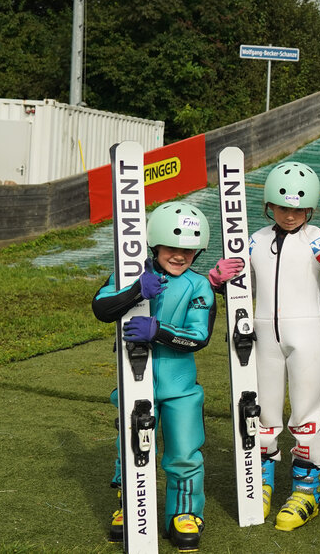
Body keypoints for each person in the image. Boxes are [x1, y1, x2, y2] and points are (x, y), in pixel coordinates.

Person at [209, 161, 320, 531]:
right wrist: (217, 280)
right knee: (263, 418)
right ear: (269, 206)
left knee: (307, 419)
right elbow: (244, 290)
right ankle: (259, 486)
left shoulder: (317, 240)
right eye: (282, 207)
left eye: (298, 209)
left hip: (306, 337)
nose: (290, 215)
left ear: (310, 209)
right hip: (263, 339)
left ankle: (306, 493)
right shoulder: (254, 240)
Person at [92, 202, 219, 551]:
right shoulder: (129, 272)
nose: (179, 256)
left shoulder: (199, 286)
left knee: (183, 450)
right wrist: (136, 291)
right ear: (155, 245)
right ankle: (128, 506)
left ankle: (184, 513)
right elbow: (101, 308)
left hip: (180, 388)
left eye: (188, 250)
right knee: (130, 447)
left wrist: (158, 331)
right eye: (172, 247)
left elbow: (198, 337)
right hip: (135, 382)